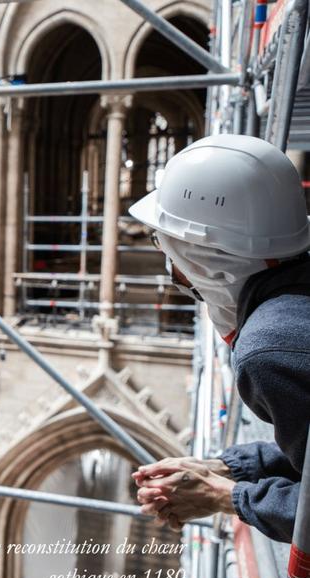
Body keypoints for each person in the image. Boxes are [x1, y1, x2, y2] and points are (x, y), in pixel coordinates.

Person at [126, 134, 309, 543]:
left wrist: (223, 496)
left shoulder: (268, 351)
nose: (171, 271)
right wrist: (232, 468)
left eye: (167, 247)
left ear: (204, 261)